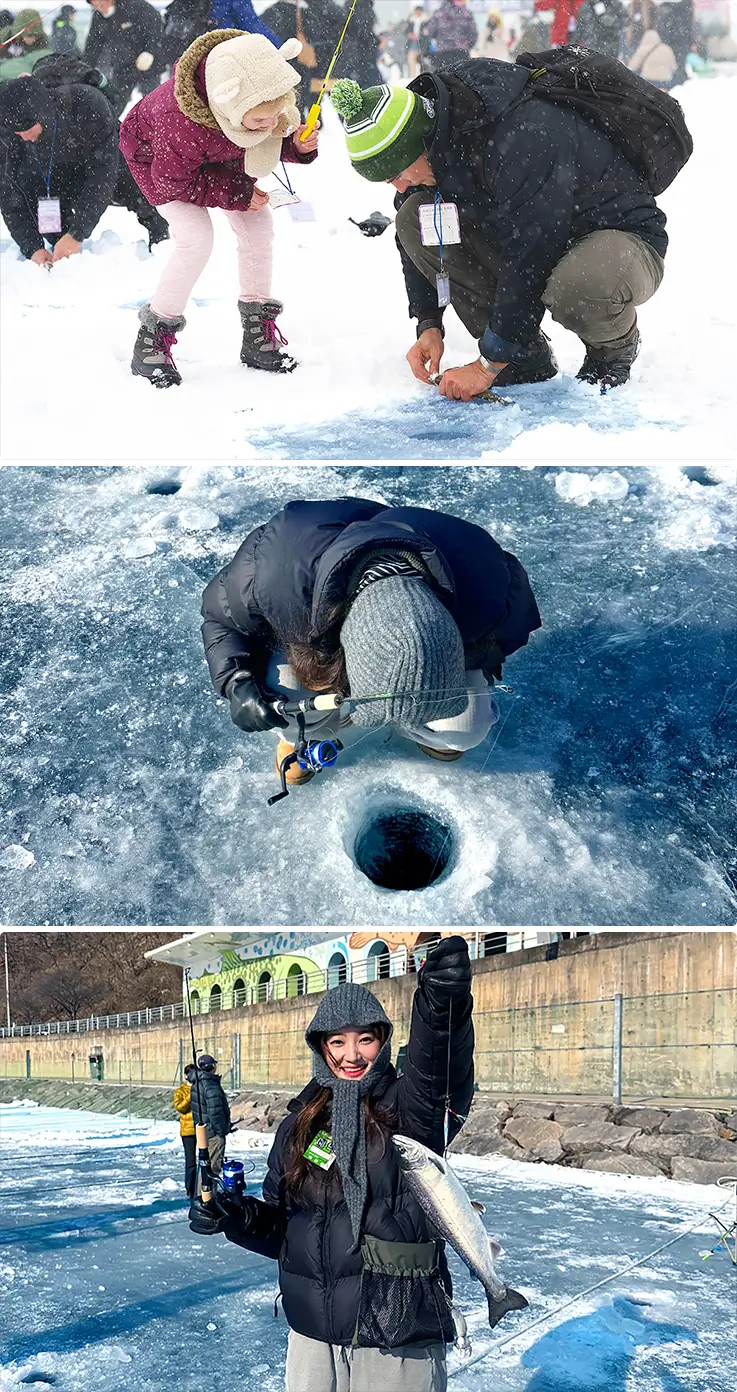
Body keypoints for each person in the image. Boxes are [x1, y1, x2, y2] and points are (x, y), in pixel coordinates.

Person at [189, 937, 477, 1392]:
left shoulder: (408, 1110)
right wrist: (237, 1218)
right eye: (337, 1041)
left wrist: (442, 1003)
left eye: (365, 1039)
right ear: (320, 1046)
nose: (351, 1054)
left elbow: (440, 1075)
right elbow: (286, 1225)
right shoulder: (298, 1125)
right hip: (313, 1334)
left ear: (382, 1042)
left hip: (396, 1328)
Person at [330, 67, 670, 395]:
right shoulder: (437, 145)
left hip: (618, 237)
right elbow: (423, 236)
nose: (398, 184)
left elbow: (534, 250)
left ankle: (611, 351)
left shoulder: (521, 135)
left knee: (578, 285)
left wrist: (487, 365)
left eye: (398, 172)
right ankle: (523, 358)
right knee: (413, 217)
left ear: (421, 145)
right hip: (537, 237)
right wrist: (429, 323)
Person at [200, 498, 541, 782]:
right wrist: (236, 680)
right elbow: (218, 617)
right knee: (284, 692)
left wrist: (451, 660)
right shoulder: (267, 575)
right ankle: (306, 735)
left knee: (466, 724)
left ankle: (426, 719)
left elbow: (506, 638)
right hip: (306, 604)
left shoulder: (491, 587)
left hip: (443, 581)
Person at [119, 30, 319, 387]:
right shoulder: (177, 120)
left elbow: (267, 136)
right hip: (159, 162)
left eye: (275, 116)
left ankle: (258, 336)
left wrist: (296, 146)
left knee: (258, 224)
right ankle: (150, 342)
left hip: (218, 148)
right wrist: (237, 193)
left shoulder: (260, 91)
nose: (270, 125)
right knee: (196, 239)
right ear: (230, 107)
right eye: (260, 120)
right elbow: (172, 183)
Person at [83, 0, 164, 116]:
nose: (99, 8)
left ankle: (156, 131)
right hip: (123, 68)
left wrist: (150, 52)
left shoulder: (136, 7)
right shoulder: (99, 18)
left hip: (148, 66)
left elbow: (156, 27)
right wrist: (85, 67)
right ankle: (110, 131)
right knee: (113, 106)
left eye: (100, 4)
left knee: (153, 105)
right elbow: (92, 47)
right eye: (95, 6)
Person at [190, 1053, 231, 1180]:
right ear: (212, 1067)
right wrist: (221, 1131)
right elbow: (215, 1112)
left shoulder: (197, 1083)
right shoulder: (210, 1085)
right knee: (212, 1169)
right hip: (213, 1134)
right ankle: (207, 1198)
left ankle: (201, 1196)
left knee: (204, 1167)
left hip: (203, 1132)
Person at [0, 9, 53, 79]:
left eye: (35, 35)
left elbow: (44, 63)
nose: (31, 39)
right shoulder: (5, 37)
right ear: (19, 32)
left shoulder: (43, 41)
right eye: (28, 35)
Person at [425, 0, 477, 68]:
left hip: (442, 52)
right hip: (461, 51)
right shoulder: (466, 13)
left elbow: (431, 31)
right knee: (461, 76)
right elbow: (473, 33)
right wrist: (467, 45)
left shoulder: (438, 13)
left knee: (443, 76)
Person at [173, 1063, 197, 1198]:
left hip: (201, 1128)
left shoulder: (200, 1088)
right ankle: (190, 1189)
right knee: (191, 1161)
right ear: (186, 1076)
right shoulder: (180, 1091)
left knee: (207, 1160)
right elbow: (180, 1107)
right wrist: (190, 1094)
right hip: (188, 1131)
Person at [628, 22, 677, 86]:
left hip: (648, 79)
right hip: (665, 81)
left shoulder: (642, 49)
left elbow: (632, 66)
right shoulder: (667, 48)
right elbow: (674, 66)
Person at [404, 6, 428, 80]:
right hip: (412, 43)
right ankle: (412, 77)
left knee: (422, 62)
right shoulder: (411, 20)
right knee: (411, 61)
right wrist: (410, 34)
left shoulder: (425, 21)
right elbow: (406, 31)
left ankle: (422, 77)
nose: (418, 12)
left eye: (419, 11)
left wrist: (422, 35)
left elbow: (427, 32)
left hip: (421, 43)